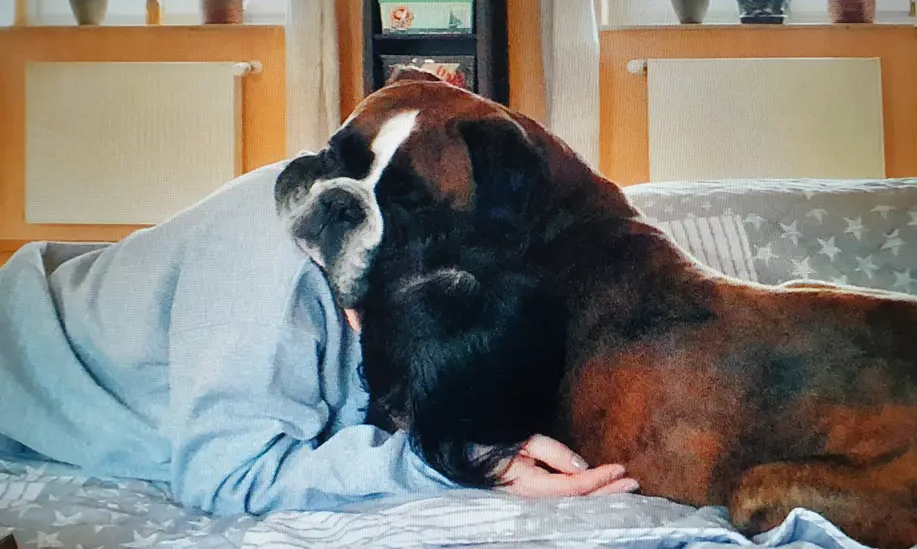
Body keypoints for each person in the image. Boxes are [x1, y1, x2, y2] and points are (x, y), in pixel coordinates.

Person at [0, 159, 638, 517]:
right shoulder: (266, 301)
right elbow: (223, 480)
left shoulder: (458, 235)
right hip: (23, 358)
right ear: (358, 321)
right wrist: (444, 464)